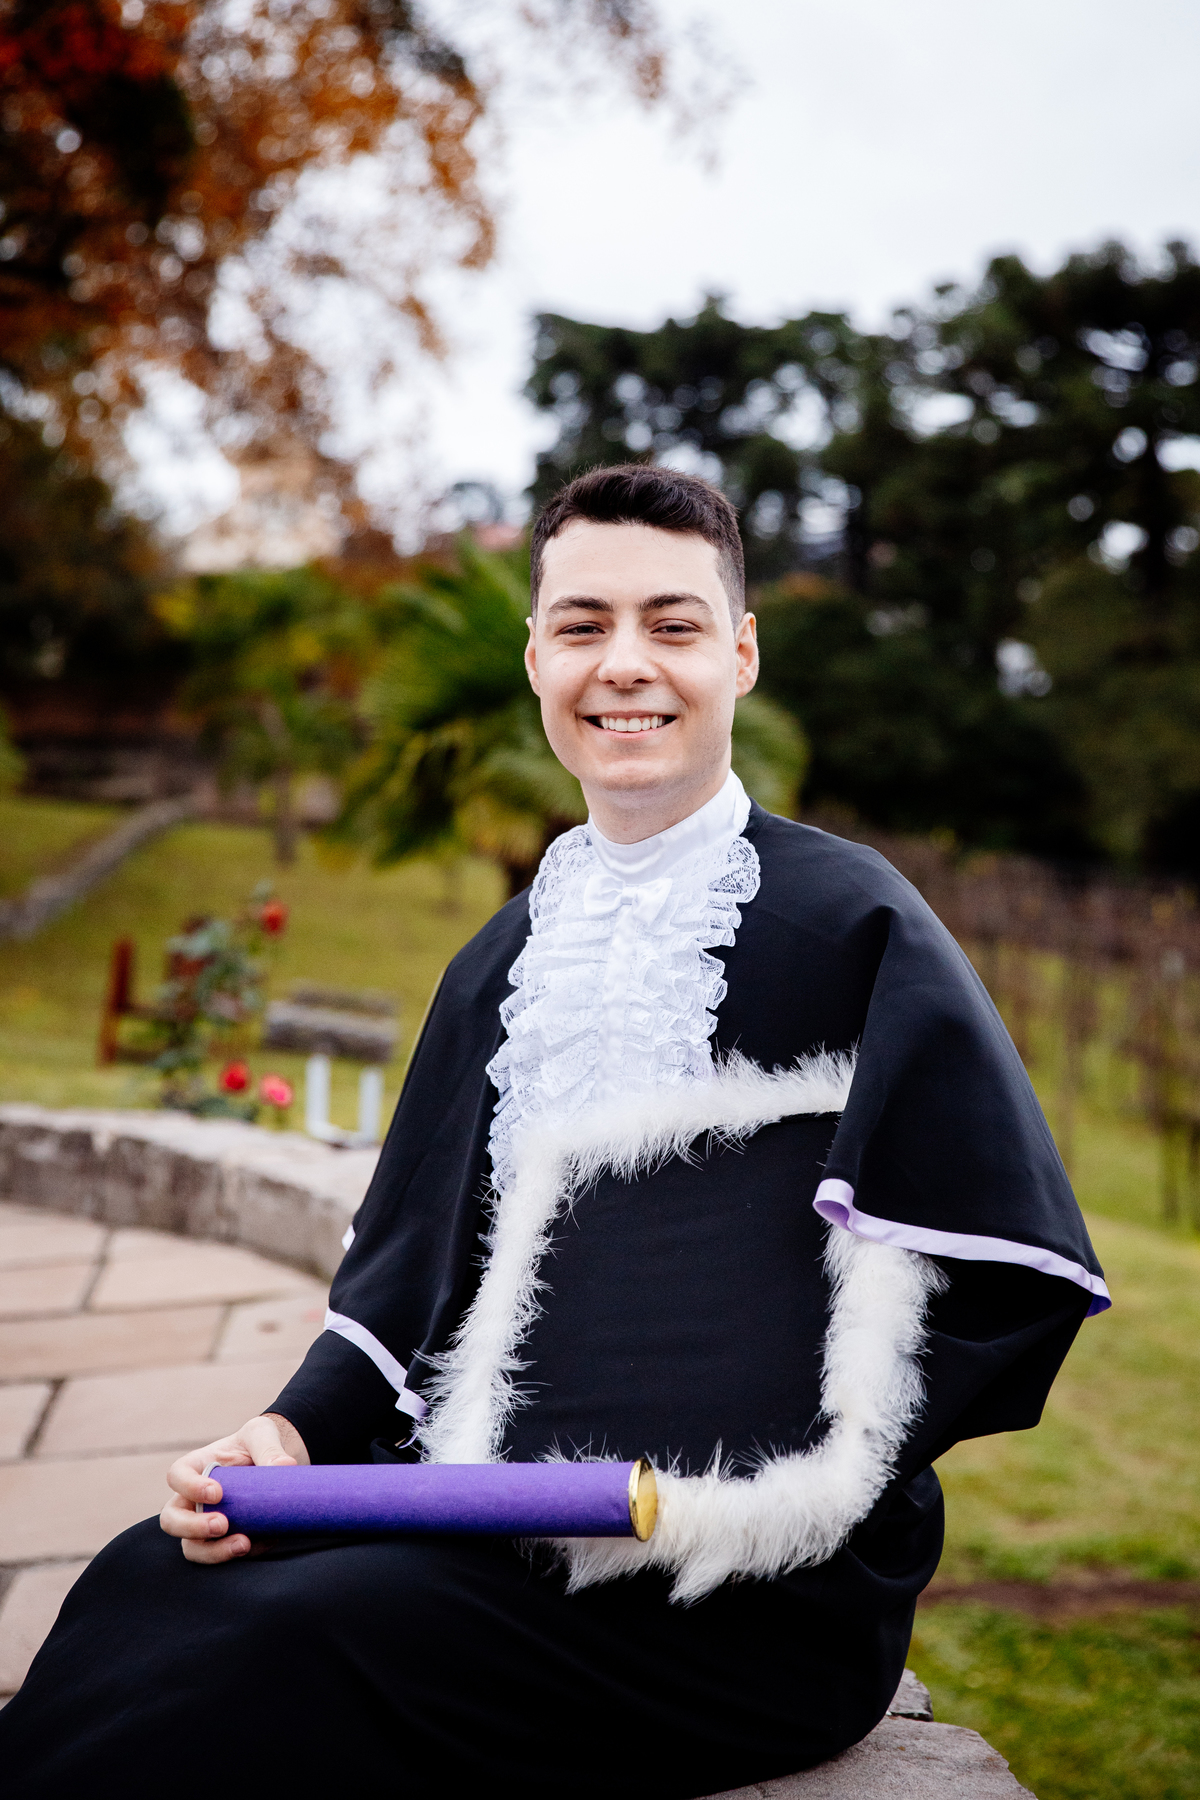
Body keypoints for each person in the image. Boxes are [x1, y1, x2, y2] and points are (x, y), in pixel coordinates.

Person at [0, 465, 1107, 1798]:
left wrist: (755, 1474)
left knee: (292, 1646)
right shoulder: (500, 964)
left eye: (674, 624)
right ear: (537, 658)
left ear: (742, 654)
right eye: (583, 625)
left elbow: (998, 1267)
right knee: (146, 1572)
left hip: (747, 1594)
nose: (624, 665)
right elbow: (413, 1271)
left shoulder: (855, 923)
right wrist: (288, 1439)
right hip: (497, 1526)